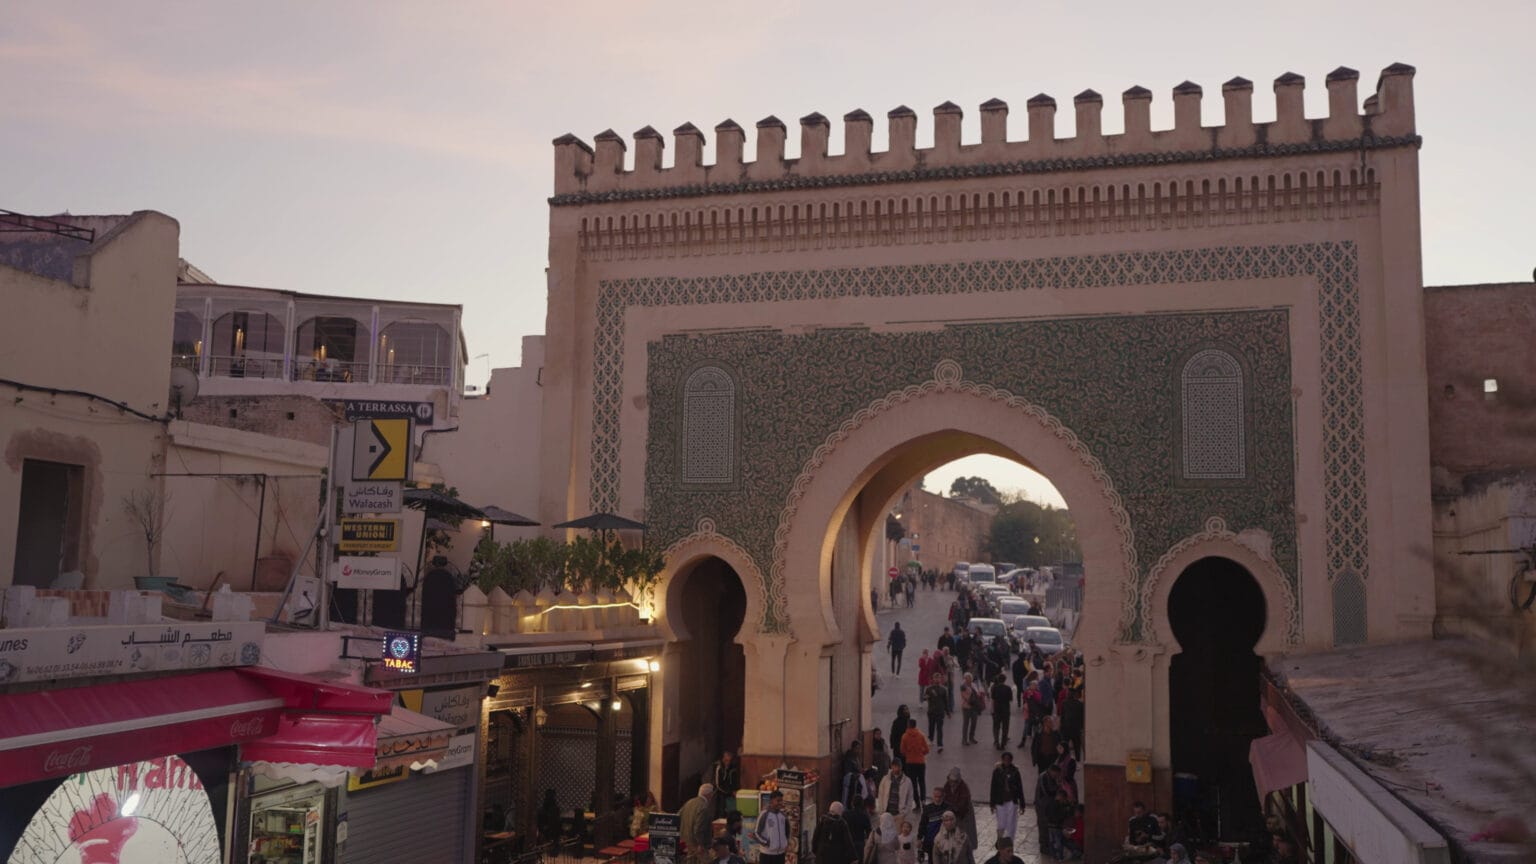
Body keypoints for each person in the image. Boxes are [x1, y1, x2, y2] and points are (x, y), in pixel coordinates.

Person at [938, 767, 977, 862]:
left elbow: (962, 805)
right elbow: (944, 797)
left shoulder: (964, 788)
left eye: (954, 781)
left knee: (964, 839)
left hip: (963, 816)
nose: (952, 783)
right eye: (951, 781)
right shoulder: (947, 785)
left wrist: (952, 809)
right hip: (952, 814)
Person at [988, 752, 1025, 841]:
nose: (1006, 761)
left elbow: (1020, 788)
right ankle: (1001, 841)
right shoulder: (997, 771)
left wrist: (1022, 804)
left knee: (1011, 823)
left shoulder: (1015, 772)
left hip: (1012, 800)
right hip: (1000, 801)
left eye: (1008, 760)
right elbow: (993, 787)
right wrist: (992, 804)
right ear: (1002, 760)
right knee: (1001, 823)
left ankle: (1009, 842)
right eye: (1005, 759)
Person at [679, 784, 715, 864]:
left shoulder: (689, 802)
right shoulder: (703, 807)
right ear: (709, 794)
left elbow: (678, 817)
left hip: (686, 842)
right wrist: (700, 844)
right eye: (712, 794)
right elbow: (698, 829)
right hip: (698, 845)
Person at [876, 759, 918, 826]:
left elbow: (910, 798)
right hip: (886, 813)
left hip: (899, 814)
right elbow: (880, 795)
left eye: (898, 767)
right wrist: (881, 811)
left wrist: (905, 812)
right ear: (891, 767)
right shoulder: (885, 779)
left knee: (898, 835)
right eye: (894, 766)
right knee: (885, 835)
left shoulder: (907, 781)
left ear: (901, 767)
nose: (896, 769)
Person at [751, 790, 789, 864]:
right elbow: (756, 833)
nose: (780, 803)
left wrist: (786, 842)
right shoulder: (764, 814)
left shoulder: (783, 815)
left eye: (781, 801)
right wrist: (766, 843)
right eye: (778, 801)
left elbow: (787, 831)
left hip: (780, 854)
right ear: (771, 800)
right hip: (767, 855)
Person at [899, 718, 930, 801]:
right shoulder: (921, 735)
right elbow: (927, 749)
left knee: (913, 784)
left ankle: (916, 802)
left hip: (910, 763)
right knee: (922, 782)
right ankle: (923, 800)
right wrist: (920, 753)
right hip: (920, 762)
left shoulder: (905, 736)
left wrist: (909, 754)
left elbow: (902, 750)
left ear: (908, 725)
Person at [924, 671, 950, 751]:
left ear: (941, 679)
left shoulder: (944, 689)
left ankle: (940, 744)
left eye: (939, 678)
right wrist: (926, 697)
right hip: (931, 711)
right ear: (933, 679)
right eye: (936, 678)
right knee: (931, 727)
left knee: (939, 729)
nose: (937, 679)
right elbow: (924, 697)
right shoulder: (929, 689)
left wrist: (947, 712)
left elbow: (946, 701)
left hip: (940, 711)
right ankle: (931, 739)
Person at [919, 787, 947, 861]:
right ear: (932, 796)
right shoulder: (927, 809)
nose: (937, 799)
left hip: (944, 841)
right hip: (930, 841)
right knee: (931, 860)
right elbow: (923, 824)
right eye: (936, 796)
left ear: (943, 796)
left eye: (940, 797)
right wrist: (919, 838)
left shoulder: (948, 808)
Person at [712, 750, 741, 816]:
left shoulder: (733, 768)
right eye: (726, 760)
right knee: (721, 813)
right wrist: (730, 792)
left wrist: (735, 790)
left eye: (729, 761)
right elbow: (718, 785)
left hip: (731, 795)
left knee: (731, 813)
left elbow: (734, 780)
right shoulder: (719, 768)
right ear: (723, 759)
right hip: (721, 794)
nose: (728, 763)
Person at [959, 673, 985, 746]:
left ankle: (971, 738)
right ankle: (964, 740)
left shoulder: (974, 685)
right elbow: (963, 696)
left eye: (970, 678)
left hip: (974, 707)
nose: (968, 679)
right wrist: (970, 700)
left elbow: (978, 693)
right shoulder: (963, 686)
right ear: (964, 678)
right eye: (967, 678)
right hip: (966, 706)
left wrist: (979, 695)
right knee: (966, 724)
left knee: (974, 723)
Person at [1059, 688, 1085, 760]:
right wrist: (1081, 727)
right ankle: (1078, 760)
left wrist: (1061, 726)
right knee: (1077, 746)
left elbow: (1062, 716)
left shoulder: (1064, 703)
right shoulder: (1080, 704)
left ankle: (1064, 760)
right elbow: (1082, 717)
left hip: (1066, 728)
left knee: (1065, 745)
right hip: (1076, 729)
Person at [989, 674, 1014, 750]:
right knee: (1005, 727)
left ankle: (997, 741)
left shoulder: (994, 688)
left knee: (996, 726)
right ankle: (1003, 743)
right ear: (1005, 680)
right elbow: (1011, 699)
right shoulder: (1008, 688)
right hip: (1006, 710)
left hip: (997, 710)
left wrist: (992, 710)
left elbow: (993, 699)